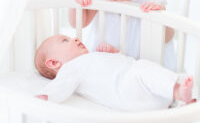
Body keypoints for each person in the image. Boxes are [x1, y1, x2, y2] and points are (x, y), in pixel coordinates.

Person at [35, 35, 194, 112]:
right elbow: (60, 85)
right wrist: (45, 96)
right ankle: (178, 91)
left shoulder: (90, 58)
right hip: (128, 92)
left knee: (144, 69)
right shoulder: (70, 68)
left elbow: (119, 63)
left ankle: (179, 100)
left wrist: (113, 52)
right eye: (65, 41)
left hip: (145, 92)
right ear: (54, 63)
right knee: (142, 68)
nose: (75, 38)